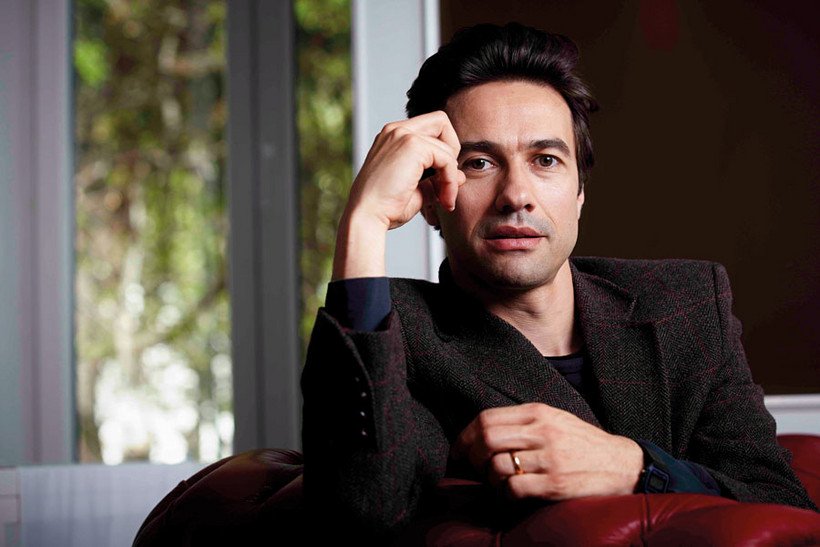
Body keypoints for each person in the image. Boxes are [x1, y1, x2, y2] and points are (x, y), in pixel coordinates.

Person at [300, 22, 816, 541]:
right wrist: (363, 221)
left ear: (579, 193)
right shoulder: (398, 334)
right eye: (479, 163)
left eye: (545, 160)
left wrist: (634, 467)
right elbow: (360, 514)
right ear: (433, 198)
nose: (516, 195)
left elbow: (784, 507)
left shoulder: (688, 302)